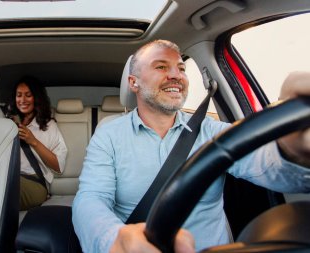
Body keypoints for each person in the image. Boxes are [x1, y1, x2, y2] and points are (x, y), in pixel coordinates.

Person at [72, 39, 310, 253]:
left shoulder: (213, 130)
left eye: (181, 68)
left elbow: (267, 165)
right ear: (133, 83)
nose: (176, 75)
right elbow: (91, 199)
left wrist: (292, 150)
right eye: (161, 67)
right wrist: (113, 240)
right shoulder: (109, 133)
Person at [8, 76, 68, 211]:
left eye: (28, 95)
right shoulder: (8, 124)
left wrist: (33, 141)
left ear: (36, 98)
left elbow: (59, 166)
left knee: (3, 191)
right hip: (9, 176)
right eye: (19, 95)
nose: (22, 100)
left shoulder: (48, 126)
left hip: (34, 182)